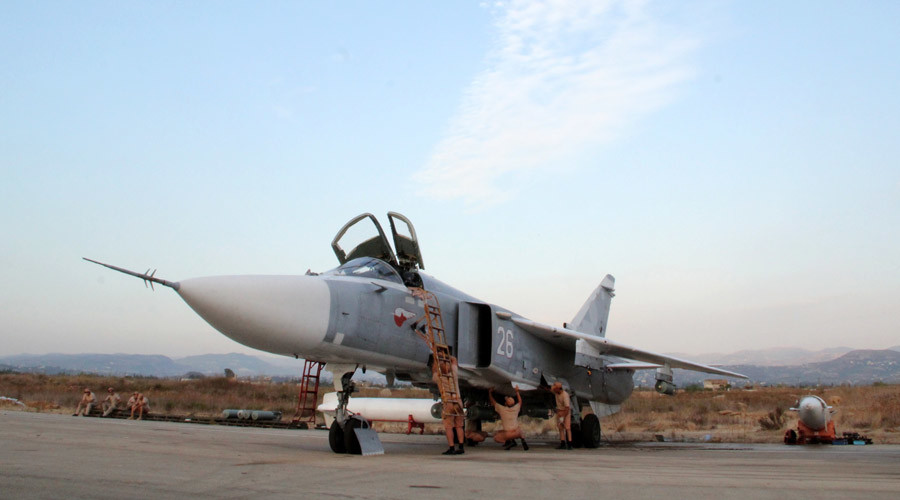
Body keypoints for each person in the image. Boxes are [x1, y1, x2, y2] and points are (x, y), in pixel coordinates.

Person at [431, 355, 465, 455]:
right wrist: (446, 356)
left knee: (449, 426)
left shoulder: (439, 378)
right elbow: (454, 359)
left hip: (448, 402)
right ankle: (461, 447)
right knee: (459, 426)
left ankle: (451, 447)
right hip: (458, 401)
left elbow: (434, 370)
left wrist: (436, 359)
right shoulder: (454, 373)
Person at [488, 386, 529, 451]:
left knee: (496, 436)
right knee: (519, 429)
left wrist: (490, 393)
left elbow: (493, 402)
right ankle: (522, 440)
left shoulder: (502, 409)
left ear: (505, 403)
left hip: (509, 434)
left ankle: (509, 442)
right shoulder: (516, 408)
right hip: (517, 433)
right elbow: (520, 401)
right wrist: (517, 391)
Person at [551, 382, 572, 449]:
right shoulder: (557, 393)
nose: (554, 390)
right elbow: (551, 390)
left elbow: (567, 408)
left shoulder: (565, 395)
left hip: (566, 412)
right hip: (559, 411)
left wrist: (563, 417)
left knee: (567, 428)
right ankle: (562, 443)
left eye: (555, 389)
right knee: (560, 428)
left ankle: (569, 444)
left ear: (558, 389)